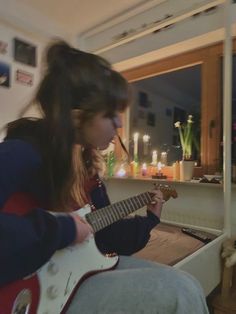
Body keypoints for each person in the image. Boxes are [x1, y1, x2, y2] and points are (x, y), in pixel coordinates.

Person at [0, 40, 209, 314]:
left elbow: (106, 237)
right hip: (32, 292)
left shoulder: (89, 171)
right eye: (111, 114)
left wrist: (152, 219)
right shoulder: (21, 152)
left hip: (79, 272)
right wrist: (64, 229)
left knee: (189, 285)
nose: (120, 123)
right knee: (179, 292)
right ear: (76, 118)